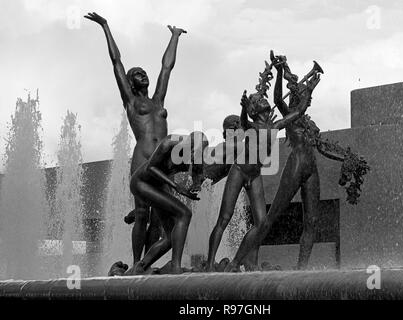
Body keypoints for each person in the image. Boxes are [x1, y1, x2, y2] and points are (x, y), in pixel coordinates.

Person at [84, 12, 187, 264]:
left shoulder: (157, 100)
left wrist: (174, 37)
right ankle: (134, 265)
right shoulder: (131, 102)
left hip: (162, 160)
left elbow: (166, 68)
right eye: (138, 73)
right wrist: (105, 26)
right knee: (142, 212)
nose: (144, 75)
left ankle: (148, 264)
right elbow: (116, 61)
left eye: (144, 72)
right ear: (131, 82)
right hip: (142, 158)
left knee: (163, 215)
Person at [206, 61, 312, 272]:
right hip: (240, 171)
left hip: (255, 175)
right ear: (254, 108)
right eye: (258, 99)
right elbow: (244, 124)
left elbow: (299, 111)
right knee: (224, 218)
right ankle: (209, 264)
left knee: (262, 223)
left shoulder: (275, 125)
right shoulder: (252, 125)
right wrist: (243, 109)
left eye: (261, 97)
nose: (262, 99)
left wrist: (304, 87)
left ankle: (243, 260)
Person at [121, 132, 209, 275]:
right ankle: (175, 267)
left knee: (169, 238)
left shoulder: (197, 155)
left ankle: (140, 266)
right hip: (142, 182)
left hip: (159, 185)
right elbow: (151, 167)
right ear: (187, 144)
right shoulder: (169, 143)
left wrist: (196, 186)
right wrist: (176, 187)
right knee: (184, 214)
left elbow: (197, 175)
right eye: (192, 152)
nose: (194, 157)